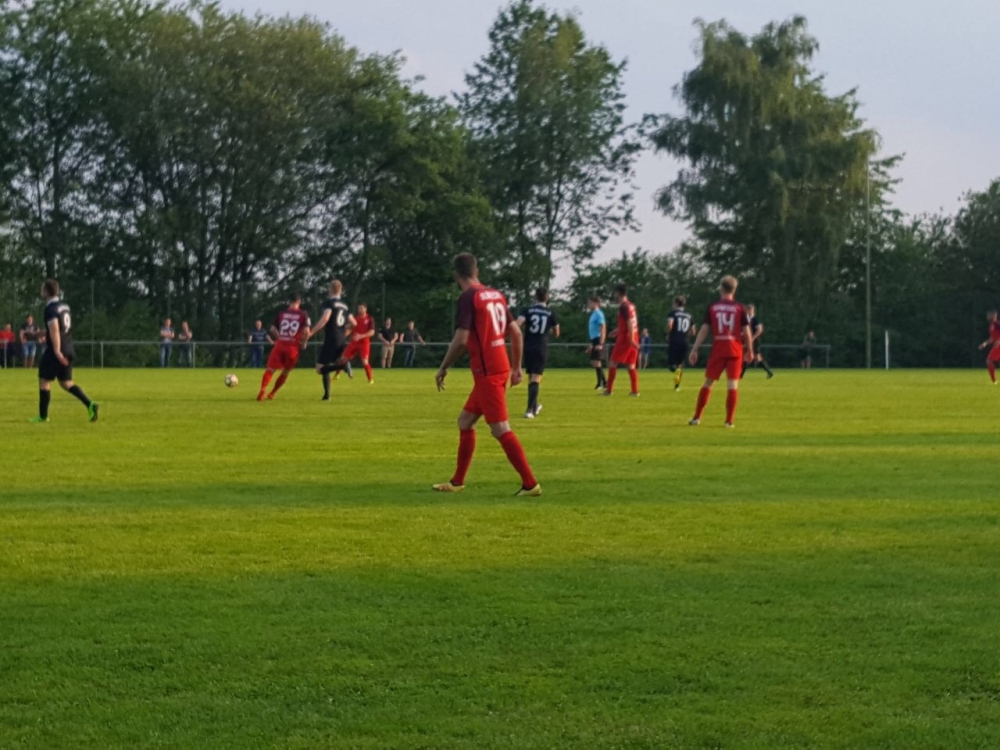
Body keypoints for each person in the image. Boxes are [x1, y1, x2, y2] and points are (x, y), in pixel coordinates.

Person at [433, 253, 541, 497]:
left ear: (456, 275)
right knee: (465, 421)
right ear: (477, 271)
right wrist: (516, 367)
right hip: (499, 366)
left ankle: (530, 483)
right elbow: (516, 333)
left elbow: (461, 339)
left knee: (500, 428)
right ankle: (457, 482)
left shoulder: (468, 297)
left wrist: (444, 366)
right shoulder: (495, 294)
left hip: (487, 372)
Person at [688, 276, 753, 428]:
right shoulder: (740, 308)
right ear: (734, 290)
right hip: (735, 349)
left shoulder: (713, 307)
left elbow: (704, 329)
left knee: (708, 383)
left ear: (721, 288)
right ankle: (729, 421)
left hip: (718, 348)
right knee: (732, 385)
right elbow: (747, 331)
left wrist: (695, 349)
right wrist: (750, 350)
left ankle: (697, 417)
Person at [30, 279, 99, 423]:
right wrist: (41, 333)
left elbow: (55, 330)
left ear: (47, 292)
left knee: (44, 380)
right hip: (68, 347)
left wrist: (56, 351)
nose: (41, 292)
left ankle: (43, 416)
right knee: (66, 383)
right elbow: (60, 329)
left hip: (57, 349)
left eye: (43, 289)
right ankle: (90, 404)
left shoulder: (50, 309)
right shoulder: (64, 306)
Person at [257, 292, 311, 401]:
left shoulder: (282, 313)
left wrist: (280, 337)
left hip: (280, 345)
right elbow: (306, 331)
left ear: (289, 302)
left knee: (270, 369)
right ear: (299, 302)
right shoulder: (303, 315)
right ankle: (272, 393)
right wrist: (304, 343)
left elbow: (272, 329)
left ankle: (262, 390)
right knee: (286, 371)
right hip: (292, 348)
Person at [516, 287, 560, 419]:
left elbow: (517, 324)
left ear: (535, 297)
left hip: (528, 346)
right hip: (541, 346)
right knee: (536, 378)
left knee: (531, 377)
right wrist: (546, 331)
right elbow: (557, 333)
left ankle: (534, 406)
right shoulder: (551, 313)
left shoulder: (527, 310)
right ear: (548, 298)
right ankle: (529, 410)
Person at [309, 280, 354, 401]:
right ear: (340, 290)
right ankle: (326, 395)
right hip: (341, 340)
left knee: (319, 369)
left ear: (330, 290)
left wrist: (312, 332)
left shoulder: (329, 303)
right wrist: (345, 333)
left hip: (331, 339)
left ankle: (343, 365)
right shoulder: (345, 305)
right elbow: (354, 323)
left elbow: (325, 319)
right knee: (327, 365)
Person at [603, 284, 640, 397]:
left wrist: (630, 339)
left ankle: (609, 390)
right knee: (630, 365)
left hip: (626, 338)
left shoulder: (623, 306)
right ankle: (635, 391)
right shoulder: (631, 305)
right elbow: (631, 322)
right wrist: (618, 330)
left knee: (613, 362)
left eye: (615, 293)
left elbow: (629, 322)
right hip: (633, 335)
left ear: (619, 293)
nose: (614, 295)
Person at [341, 302, 376, 384]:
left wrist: (361, 336)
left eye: (361, 308)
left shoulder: (369, 319)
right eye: (358, 308)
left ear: (365, 309)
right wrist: (343, 335)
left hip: (364, 343)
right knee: (343, 359)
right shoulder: (355, 319)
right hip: (354, 342)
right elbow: (349, 329)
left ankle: (370, 379)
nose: (359, 310)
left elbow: (372, 332)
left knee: (365, 362)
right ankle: (336, 376)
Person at [666, 295, 694, 391]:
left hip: (674, 340)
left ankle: (674, 368)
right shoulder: (689, 315)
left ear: (676, 304)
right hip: (685, 341)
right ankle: (677, 386)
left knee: (671, 364)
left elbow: (670, 325)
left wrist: (668, 334)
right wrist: (685, 335)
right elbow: (693, 331)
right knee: (680, 364)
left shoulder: (673, 313)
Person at [741, 304, 774, 379]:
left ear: (753, 311)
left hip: (755, 341)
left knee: (751, 357)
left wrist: (753, 338)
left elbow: (760, 329)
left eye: (750, 310)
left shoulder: (755, 320)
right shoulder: (748, 320)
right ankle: (769, 372)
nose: (748, 312)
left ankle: (740, 375)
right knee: (752, 357)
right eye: (748, 310)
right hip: (750, 341)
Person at [586, 296, 607, 390]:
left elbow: (602, 328)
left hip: (598, 339)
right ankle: (605, 382)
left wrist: (601, 343)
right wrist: (591, 343)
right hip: (594, 339)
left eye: (590, 303)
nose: (588, 305)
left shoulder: (598, 314)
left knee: (596, 361)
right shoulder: (593, 314)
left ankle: (600, 383)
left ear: (596, 303)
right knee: (594, 361)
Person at [978, 309, 1000, 385]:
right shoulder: (991, 326)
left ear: (994, 315)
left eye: (990, 314)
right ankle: (994, 381)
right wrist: (985, 344)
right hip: (997, 346)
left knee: (989, 361)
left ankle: (994, 381)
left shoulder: (997, 324)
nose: (988, 316)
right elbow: (992, 338)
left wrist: (999, 341)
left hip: (999, 346)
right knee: (990, 361)